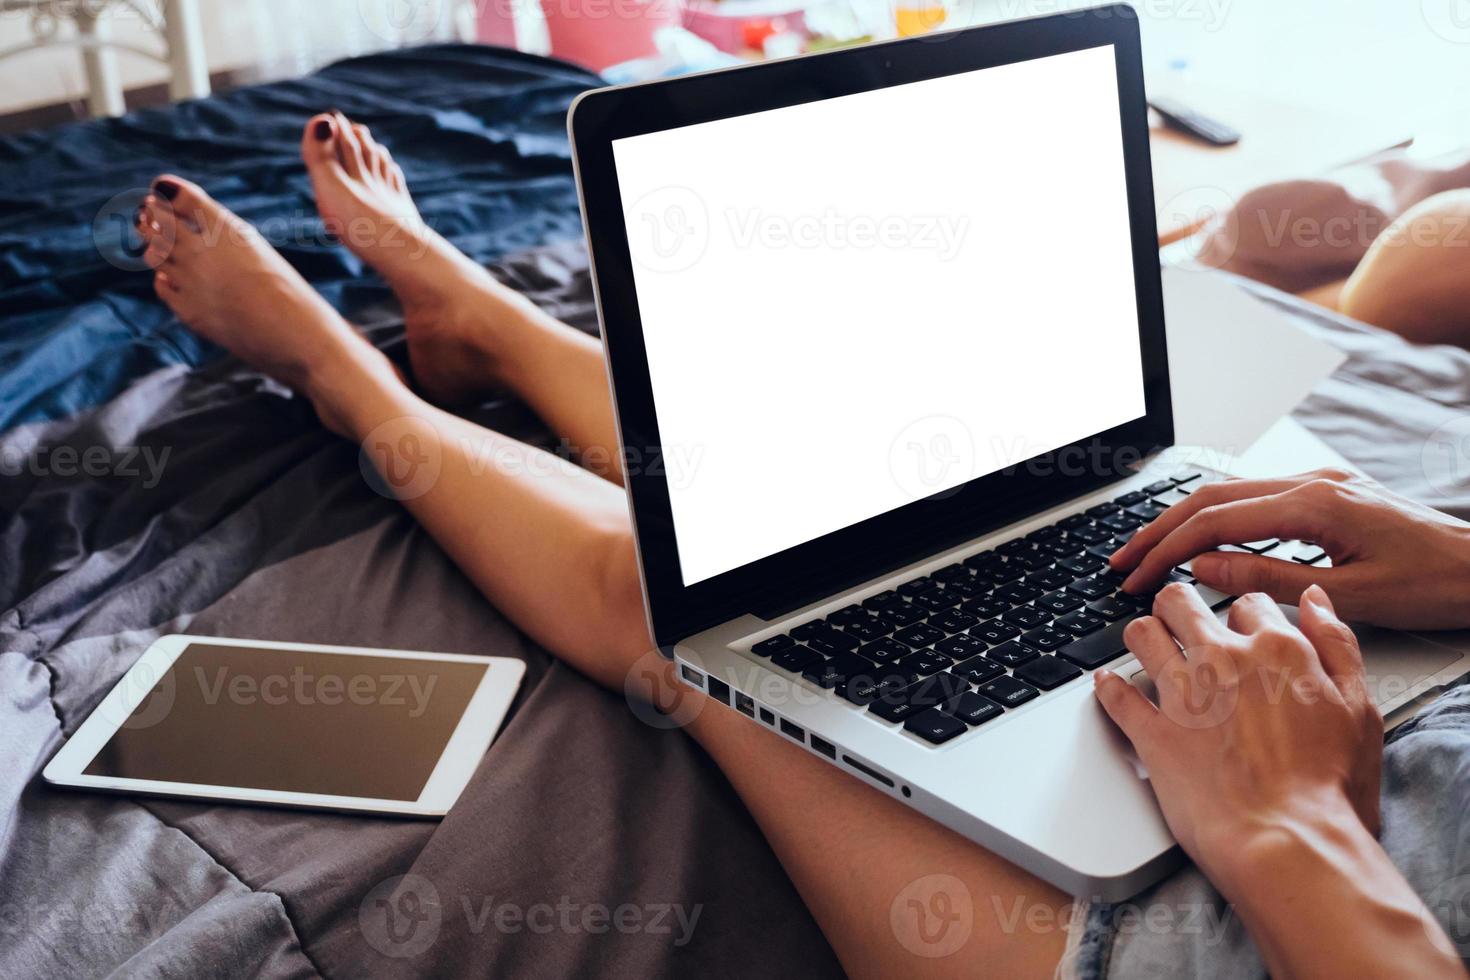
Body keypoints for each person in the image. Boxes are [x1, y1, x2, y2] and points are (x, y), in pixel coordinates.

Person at [132, 112, 1470, 979]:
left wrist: (1295, 829)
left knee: (687, 617)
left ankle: (345, 378)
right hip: (1411, 725)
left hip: (1286, 925)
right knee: (827, 486)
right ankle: (485, 322)